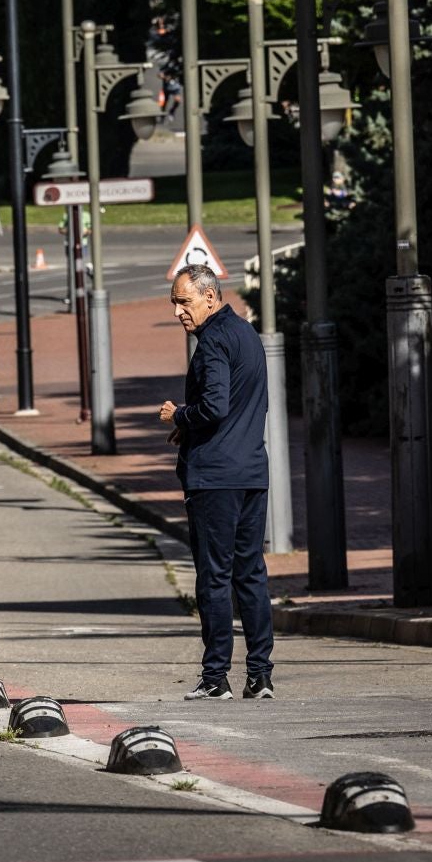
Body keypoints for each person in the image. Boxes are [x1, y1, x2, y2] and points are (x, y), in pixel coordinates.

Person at [158, 264, 274, 701]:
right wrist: (190, 427)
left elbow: (215, 406)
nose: (177, 312)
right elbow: (238, 405)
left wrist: (179, 416)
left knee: (213, 577)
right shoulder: (246, 335)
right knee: (251, 575)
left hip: (214, 478)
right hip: (250, 473)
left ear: (210, 298)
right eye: (174, 303)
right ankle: (260, 675)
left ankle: (214, 677)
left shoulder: (211, 343)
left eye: (184, 302)